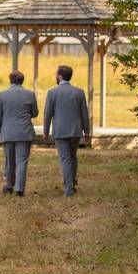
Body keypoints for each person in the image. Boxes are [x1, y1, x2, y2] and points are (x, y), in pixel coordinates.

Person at [43, 65, 90, 197]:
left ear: (60, 76)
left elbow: (48, 114)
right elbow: (84, 114)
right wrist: (87, 131)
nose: (55, 76)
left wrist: (46, 131)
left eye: (56, 74)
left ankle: (68, 188)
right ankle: (72, 183)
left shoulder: (52, 92)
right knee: (73, 157)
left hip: (60, 131)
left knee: (65, 159)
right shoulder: (79, 92)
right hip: (75, 131)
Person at [0, 70, 38, 197]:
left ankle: (9, 185)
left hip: (7, 132)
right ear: (22, 81)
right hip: (24, 132)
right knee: (22, 161)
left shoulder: (2, 95)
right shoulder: (30, 94)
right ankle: (19, 189)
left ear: (10, 80)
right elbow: (34, 113)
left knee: (9, 161)